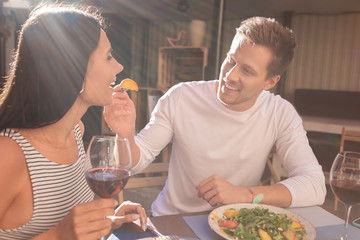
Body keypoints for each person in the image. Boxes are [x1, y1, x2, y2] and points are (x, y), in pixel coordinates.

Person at [106, 17, 327, 216]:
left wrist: (246, 195)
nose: (230, 76)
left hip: (232, 225)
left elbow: (315, 186)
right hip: (173, 220)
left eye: (247, 71)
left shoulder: (280, 113)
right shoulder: (181, 96)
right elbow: (133, 164)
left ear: (270, 82)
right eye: (231, 60)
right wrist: (125, 135)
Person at [0, 4, 147, 240]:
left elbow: (72, 223)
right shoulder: (8, 153)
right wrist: (58, 235)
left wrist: (106, 222)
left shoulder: (75, 131)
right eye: (108, 57)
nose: (119, 66)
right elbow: (63, 231)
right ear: (73, 71)